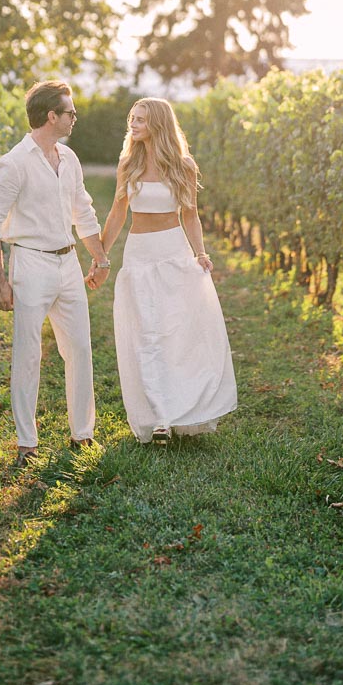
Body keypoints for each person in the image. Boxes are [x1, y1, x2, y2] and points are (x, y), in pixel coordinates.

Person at [0, 80, 110, 466]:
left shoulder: (69, 158)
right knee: (28, 353)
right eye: (70, 112)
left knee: (80, 349)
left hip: (67, 262)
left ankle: (82, 435)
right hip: (30, 262)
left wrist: (99, 259)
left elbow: (83, 212)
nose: (75, 118)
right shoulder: (14, 163)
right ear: (51, 116)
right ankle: (27, 444)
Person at [101, 97, 237, 444]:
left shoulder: (183, 165)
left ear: (158, 124)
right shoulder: (128, 163)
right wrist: (100, 254)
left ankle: (181, 408)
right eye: (132, 118)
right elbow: (118, 213)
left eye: (141, 120)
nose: (133, 124)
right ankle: (159, 418)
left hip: (174, 253)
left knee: (174, 332)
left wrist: (201, 253)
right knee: (146, 334)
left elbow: (189, 214)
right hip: (139, 255)